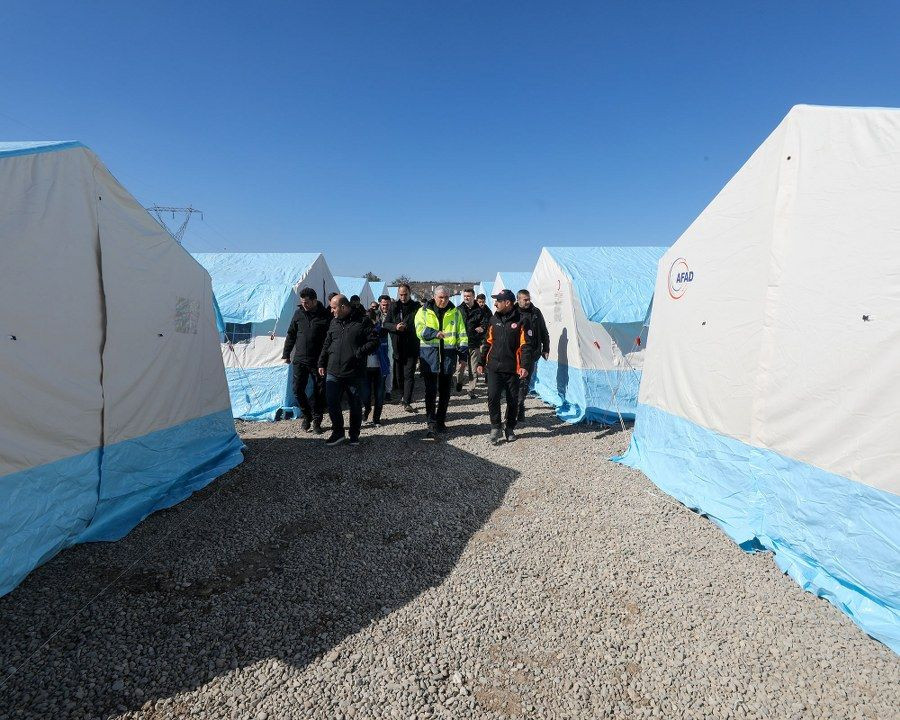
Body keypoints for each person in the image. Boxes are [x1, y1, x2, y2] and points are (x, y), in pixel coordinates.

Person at [318, 294, 378, 446]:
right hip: (333, 370)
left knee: (355, 404)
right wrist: (321, 362)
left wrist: (358, 353)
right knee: (332, 402)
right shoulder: (334, 322)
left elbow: (374, 341)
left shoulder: (362, 321)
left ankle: (354, 435)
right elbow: (327, 343)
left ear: (343, 307)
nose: (331, 311)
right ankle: (338, 432)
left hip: (354, 372)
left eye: (333, 307)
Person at [477, 289, 533, 445]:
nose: (495, 303)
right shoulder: (493, 319)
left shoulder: (522, 320)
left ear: (507, 303)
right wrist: (481, 362)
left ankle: (509, 428)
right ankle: (495, 427)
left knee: (512, 400)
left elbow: (526, 346)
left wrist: (524, 366)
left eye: (498, 301)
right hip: (494, 367)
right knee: (493, 397)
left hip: (512, 369)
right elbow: (487, 342)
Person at [414, 286, 468, 439]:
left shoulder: (456, 312)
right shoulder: (423, 311)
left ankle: (440, 421)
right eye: (440, 297)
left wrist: (463, 357)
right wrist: (434, 333)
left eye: (446, 297)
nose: (443, 300)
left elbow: (462, 335)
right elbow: (419, 330)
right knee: (430, 391)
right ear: (434, 296)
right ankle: (430, 422)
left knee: (445, 392)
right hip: (430, 356)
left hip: (448, 357)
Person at [282, 287, 332, 434]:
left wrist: (326, 359)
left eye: (307, 302)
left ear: (315, 300)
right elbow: (291, 334)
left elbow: (330, 339)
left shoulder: (325, 315)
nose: (305, 305)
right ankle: (307, 414)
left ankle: (317, 420)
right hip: (300, 359)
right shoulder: (298, 314)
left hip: (318, 361)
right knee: (297, 389)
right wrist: (286, 353)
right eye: (303, 302)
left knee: (318, 392)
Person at [383, 283, 421, 412]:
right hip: (397, 347)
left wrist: (408, 328)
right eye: (401, 294)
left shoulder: (416, 307)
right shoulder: (394, 306)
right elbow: (386, 324)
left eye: (405, 294)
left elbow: (421, 324)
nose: (403, 297)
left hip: (411, 346)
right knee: (399, 377)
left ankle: (407, 401)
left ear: (410, 293)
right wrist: (395, 327)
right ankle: (402, 395)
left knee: (409, 375)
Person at [515, 289, 550, 421]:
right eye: (525, 299)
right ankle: (515, 407)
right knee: (515, 382)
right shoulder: (513, 312)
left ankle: (519, 404)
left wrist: (545, 348)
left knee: (525, 381)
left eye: (529, 299)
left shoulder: (536, 312)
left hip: (531, 353)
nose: (528, 301)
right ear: (518, 300)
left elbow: (544, 331)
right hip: (515, 353)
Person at [363, 306, 390, 427]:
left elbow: (385, 349)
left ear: (376, 320)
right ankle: (367, 409)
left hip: (380, 367)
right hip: (365, 368)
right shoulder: (361, 333)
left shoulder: (382, 332)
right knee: (366, 394)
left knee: (379, 395)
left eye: (371, 321)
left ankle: (376, 419)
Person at [464, 292, 493, 399]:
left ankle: (473, 388)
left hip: (481, 341)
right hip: (466, 341)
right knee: (462, 365)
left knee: (479, 362)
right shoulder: (465, 309)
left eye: (483, 302)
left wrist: (484, 329)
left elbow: (490, 324)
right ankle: (459, 380)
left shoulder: (487, 312)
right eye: (479, 302)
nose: (481, 304)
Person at [455, 288, 478, 393]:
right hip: (462, 343)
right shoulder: (458, 310)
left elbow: (485, 323)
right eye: (465, 296)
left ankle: (471, 389)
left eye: (468, 296)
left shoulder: (479, 310)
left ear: (473, 297)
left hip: (474, 342)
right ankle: (459, 382)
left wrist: (482, 328)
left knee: (473, 368)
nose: (466, 298)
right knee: (461, 366)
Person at [377, 295, 394, 401]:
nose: (385, 306)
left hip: (390, 343)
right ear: (380, 304)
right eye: (383, 304)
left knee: (389, 367)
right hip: (377, 344)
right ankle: (379, 390)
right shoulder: (375, 314)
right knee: (377, 368)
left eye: (387, 304)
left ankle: (388, 391)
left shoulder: (393, 314)